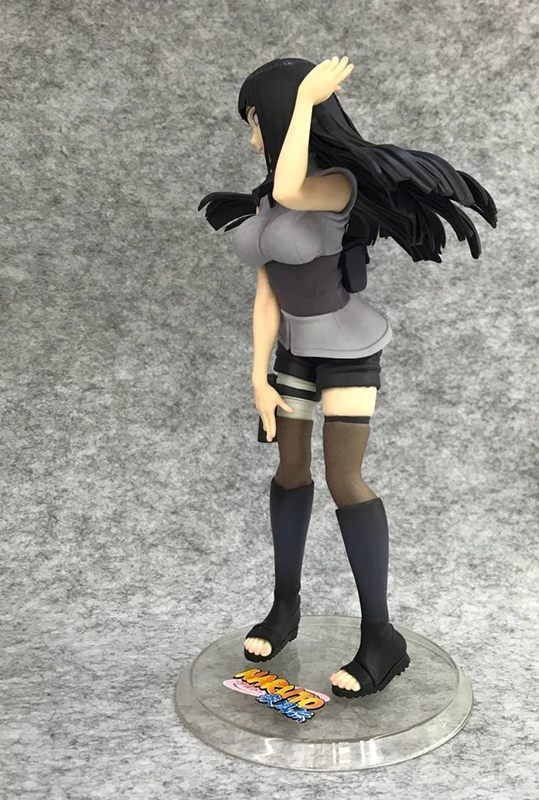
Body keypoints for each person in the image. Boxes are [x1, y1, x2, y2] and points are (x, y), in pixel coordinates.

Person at [199, 56, 497, 698]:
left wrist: (305, 100)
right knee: (289, 472)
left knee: (344, 478)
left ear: (289, 117)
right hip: (294, 351)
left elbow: (291, 189)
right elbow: (267, 293)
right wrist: (258, 375)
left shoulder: (333, 185)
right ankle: (285, 607)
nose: (253, 138)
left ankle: (381, 637)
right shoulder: (266, 198)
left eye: (259, 121)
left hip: (347, 347)